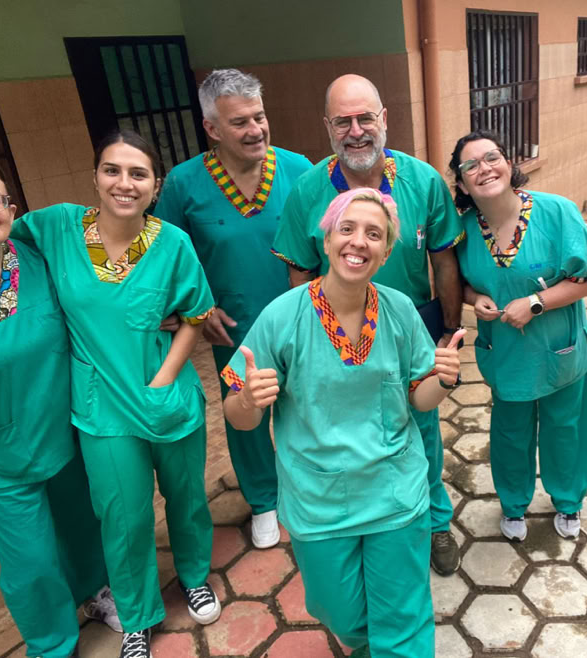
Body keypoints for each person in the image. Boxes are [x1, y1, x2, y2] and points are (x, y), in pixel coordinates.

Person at [225, 187, 462, 657]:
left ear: (386, 252)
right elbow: (239, 416)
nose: (358, 241)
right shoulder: (283, 315)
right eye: (347, 229)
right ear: (327, 240)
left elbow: (420, 398)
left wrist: (444, 380)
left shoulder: (398, 309)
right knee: (341, 612)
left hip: (394, 491)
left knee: (402, 620)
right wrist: (249, 400)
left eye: (374, 234)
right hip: (318, 499)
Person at [10, 130, 220, 658]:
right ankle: (137, 615)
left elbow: (196, 316)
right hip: (101, 406)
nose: (124, 183)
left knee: (186, 497)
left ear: (155, 186)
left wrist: (164, 380)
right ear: (95, 176)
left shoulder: (173, 243)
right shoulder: (56, 227)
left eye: (138, 173)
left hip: (165, 396)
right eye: (112, 170)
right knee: (122, 516)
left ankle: (194, 576)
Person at [272, 74, 465, 575]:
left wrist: (448, 329)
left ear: (384, 119)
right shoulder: (308, 190)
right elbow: (299, 271)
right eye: (343, 121)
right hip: (335, 337)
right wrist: (302, 345)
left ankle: (435, 521)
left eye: (365, 118)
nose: (356, 131)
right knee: (349, 431)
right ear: (327, 127)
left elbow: (444, 260)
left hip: (411, 331)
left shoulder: (422, 181)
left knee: (422, 427)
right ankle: (358, 525)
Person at [0, 160, 120, 657]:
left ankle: (96, 592)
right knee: (32, 561)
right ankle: (52, 645)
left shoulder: (37, 258)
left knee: (83, 528)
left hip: (63, 431)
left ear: (11, 208)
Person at [155, 69, 312, 550]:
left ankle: (308, 485)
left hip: (305, 318)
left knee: (308, 404)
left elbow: (325, 239)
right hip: (236, 326)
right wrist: (198, 308)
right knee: (246, 411)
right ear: (212, 128)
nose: (255, 129)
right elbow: (168, 256)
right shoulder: (184, 184)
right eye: (240, 122)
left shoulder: (299, 170)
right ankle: (263, 500)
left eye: (259, 117)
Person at [448, 130, 587, 542]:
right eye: (470, 165)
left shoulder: (556, 212)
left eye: (492, 157)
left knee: (565, 428)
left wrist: (535, 302)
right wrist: (475, 298)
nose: (484, 169)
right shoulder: (463, 231)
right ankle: (514, 502)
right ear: (462, 182)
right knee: (510, 432)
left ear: (508, 163)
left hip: (559, 349)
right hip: (505, 351)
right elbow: (456, 283)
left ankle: (568, 500)